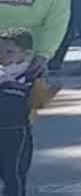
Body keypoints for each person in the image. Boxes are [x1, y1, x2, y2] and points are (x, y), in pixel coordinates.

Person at [0, 27, 53, 195]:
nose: (3, 56)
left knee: (13, 172)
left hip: (16, 130)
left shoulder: (30, 74)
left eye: (10, 52)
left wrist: (45, 90)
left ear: (25, 54)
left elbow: (39, 103)